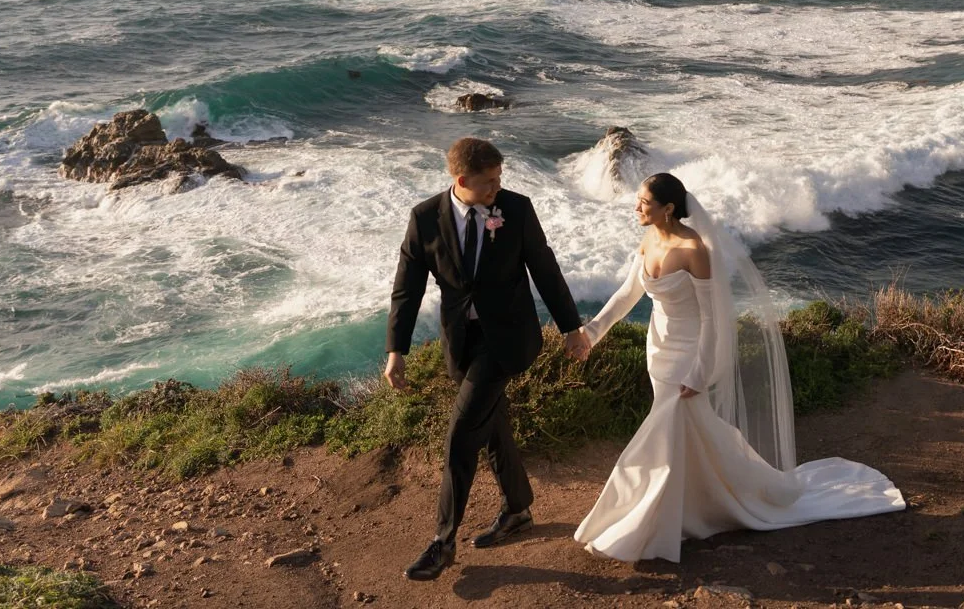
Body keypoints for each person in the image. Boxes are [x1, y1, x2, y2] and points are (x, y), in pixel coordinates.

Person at [571, 172, 905, 563]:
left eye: (644, 202)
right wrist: (591, 333)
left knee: (663, 432)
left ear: (668, 208)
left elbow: (712, 318)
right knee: (689, 434)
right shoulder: (648, 239)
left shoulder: (693, 248)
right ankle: (697, 503)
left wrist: (700, 371)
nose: (636, 207)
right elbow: (627, 294)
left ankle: (649, 519)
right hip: (657, 351)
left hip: (689, 353)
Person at [384, 137, 588, 581]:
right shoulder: (424, 219)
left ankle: (442, 541)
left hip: (509, 340)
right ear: (461, 181)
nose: (498, 188)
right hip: (462, 342)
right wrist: (395, 350)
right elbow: (407, 287)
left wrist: (572, 329)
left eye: (499, 178)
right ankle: (518, 509)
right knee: (492, 425)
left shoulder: (515, 209)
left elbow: (545, 269)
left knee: (461, 433)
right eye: (489, 182)